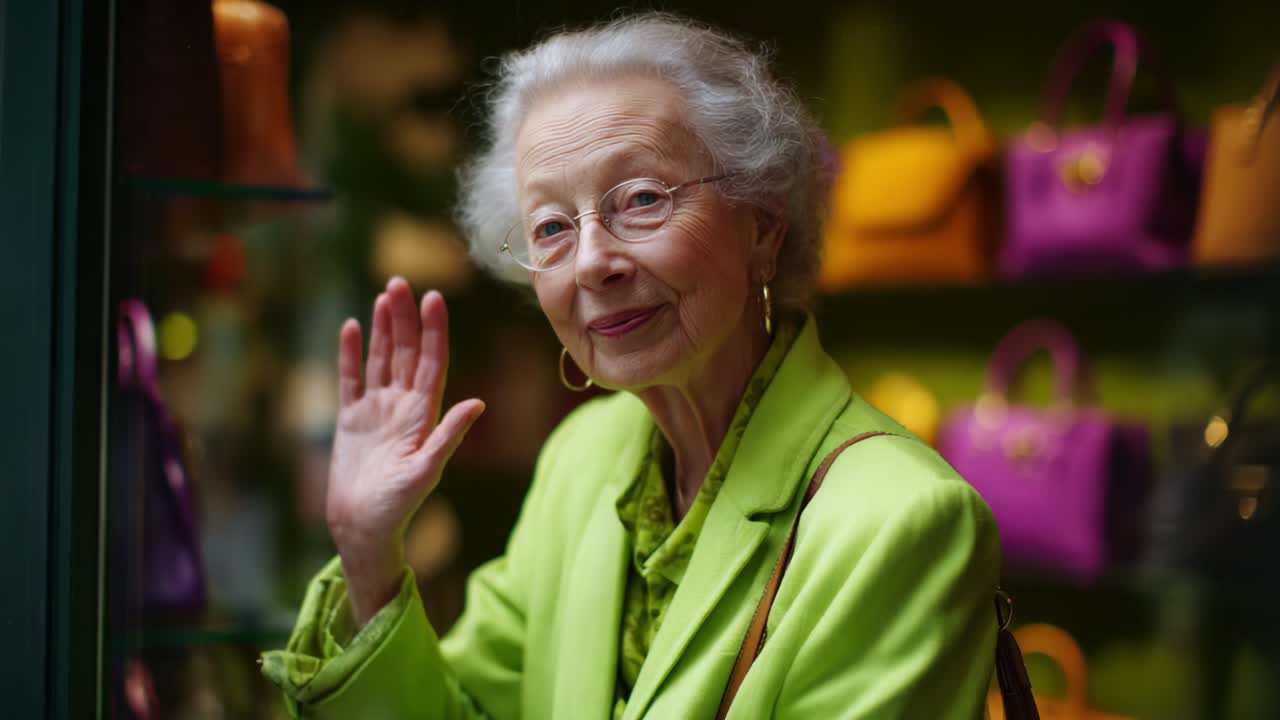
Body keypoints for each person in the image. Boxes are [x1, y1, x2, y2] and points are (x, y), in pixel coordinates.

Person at [261, 12, 1000, 719]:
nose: (591, 262)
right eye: (551, 226)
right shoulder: (581, 458)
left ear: (763, 226)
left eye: (642, 199)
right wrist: (368, 553)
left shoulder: (901, 522)